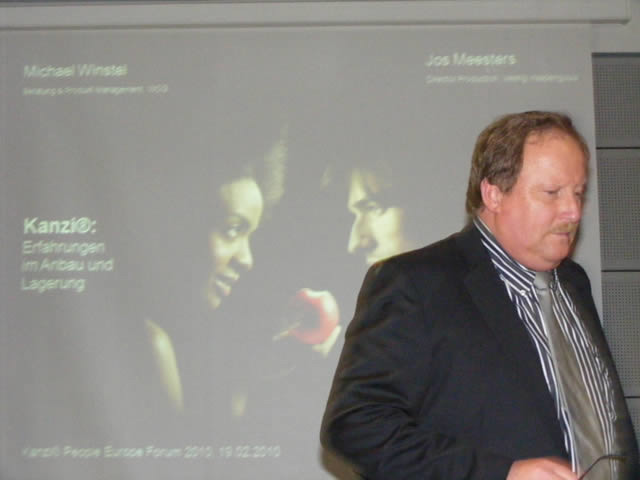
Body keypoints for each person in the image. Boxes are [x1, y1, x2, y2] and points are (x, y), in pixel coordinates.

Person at [321, 111, 638, 479]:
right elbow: (356, 426)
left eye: (578, 193)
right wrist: (502, 474)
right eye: (552, 193)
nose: (573, 211)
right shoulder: (415, 284)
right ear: (494, 194)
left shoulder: (573, 281)